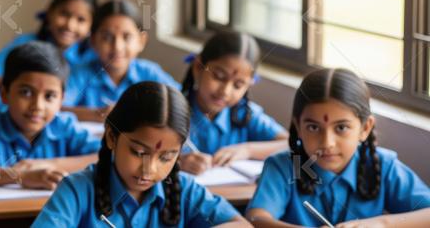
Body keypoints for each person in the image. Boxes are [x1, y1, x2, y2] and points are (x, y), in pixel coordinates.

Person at [32, 82, 250, 227]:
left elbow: (242, 225)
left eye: (166, 157)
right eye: (138, 152)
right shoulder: (78, 190)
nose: (149, 169)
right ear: (111, 137)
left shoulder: (184, 190)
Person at [247, 68, 430, 227]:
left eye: (341, 128)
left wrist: (381, 223)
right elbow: (256, 218)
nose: (327, 143)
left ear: (365, 128)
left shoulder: (384, 166)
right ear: (298, 127)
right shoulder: (285, 166)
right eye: (313, 127)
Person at [0, 41, 100, 189]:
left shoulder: (64, 126)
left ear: (61, 99)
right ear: (4, 93)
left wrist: (49, 164)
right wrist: (20, 176)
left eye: (49, 96)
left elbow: (105, 156)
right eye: (26, 92)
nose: (37, 106)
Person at [178, 31, 287, 175]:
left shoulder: (245, 115)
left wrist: (248, 150)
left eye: (238, 85)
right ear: (198, 67)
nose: (225, 91)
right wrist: (178, 161)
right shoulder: (172, 110)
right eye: (219, 77)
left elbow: (293, 145)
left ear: (249, 85)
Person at [64, 0, 179, 122]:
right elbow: (57, 108)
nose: (117, 46)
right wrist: (98, 114)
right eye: (107, 37)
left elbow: (179, 102)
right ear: (93, 41)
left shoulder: (149, 73)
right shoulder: (80, 72)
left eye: (127, 37)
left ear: (141, 41)